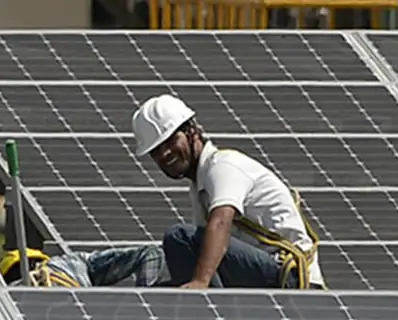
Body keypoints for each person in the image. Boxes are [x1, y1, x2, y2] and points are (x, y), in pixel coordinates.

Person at [130, 94, 326, 290]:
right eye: (156, 150)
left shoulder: (223, 166)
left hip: (290, 275)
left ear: (192, 131)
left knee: (179, 237)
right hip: (267, 273)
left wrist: (200, 283)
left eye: (171, 141)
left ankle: (204, 306)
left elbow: (220, 223)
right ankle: (208, 306)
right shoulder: (199, 187)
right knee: (163, 291)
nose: (165, 154)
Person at [0, 246, 169, 287]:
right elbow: (151, 254)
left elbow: (150, 254)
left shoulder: (73, 264)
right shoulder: (75, 263)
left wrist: (144, 302)